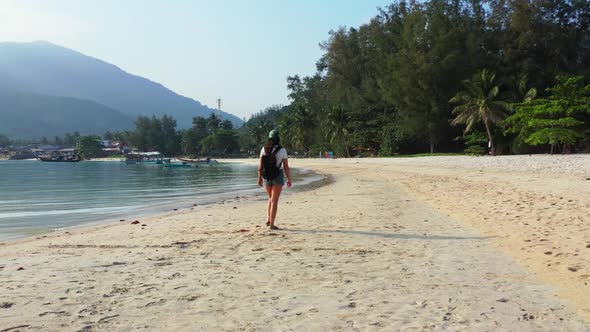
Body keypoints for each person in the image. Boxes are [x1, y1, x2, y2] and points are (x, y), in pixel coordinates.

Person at [258, 129, 291, 230]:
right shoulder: (282, 150)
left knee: (270, 198)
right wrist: (289, 179)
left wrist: (259, 178)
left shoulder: (264, 149)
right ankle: (272, 224)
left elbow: (260, 166)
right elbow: (285, 167)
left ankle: (268, 219)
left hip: (266, 175)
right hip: (277, 175)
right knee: (274, 201)